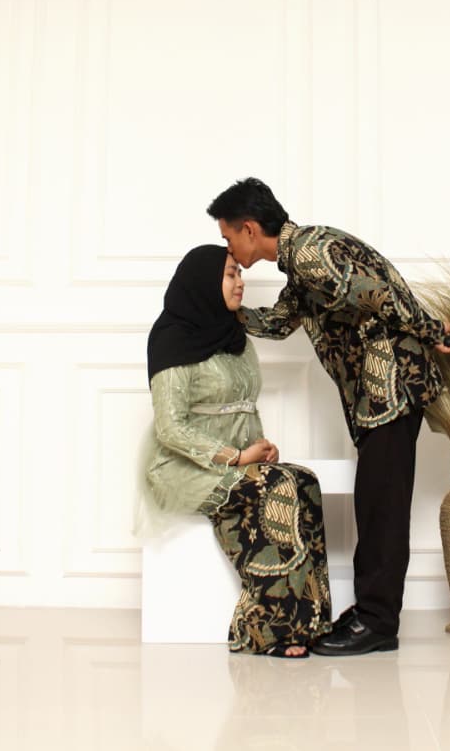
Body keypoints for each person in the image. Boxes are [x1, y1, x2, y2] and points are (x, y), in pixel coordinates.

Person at [207, 178, 450, 656]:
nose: (229, 247)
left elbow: (381, 295)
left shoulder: (310, 254)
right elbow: (280, 323)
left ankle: (378, 623)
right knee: (376, 503)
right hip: (376, 397)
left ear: (249, 229)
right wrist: (227, 311)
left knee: (382, 509)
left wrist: (433, 331)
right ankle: (371, 613)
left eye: (228, 236)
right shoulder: (302, 264)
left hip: (390, 388)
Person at [146, 244, 333, 658]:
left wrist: (258, 449)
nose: (240, 282)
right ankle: (266, 629)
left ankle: (311, 622)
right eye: (230, 274)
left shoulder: (235, 338)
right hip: (184, 467)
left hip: (235, 458)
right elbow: (170, 428)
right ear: (202, 283)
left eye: (239, 273)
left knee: (303, 482)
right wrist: (236, 457)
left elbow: (243, 407)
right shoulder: (172, 340)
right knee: (276, 489)